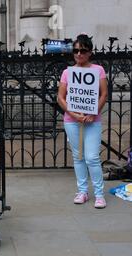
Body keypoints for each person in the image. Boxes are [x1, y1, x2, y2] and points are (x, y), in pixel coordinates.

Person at [58, 34, 108, 209]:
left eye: (82, 50)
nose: (78, 54)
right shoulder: (67, 72)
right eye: (76, 50)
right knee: (78, 157)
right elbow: (60, 97)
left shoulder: (98, 70)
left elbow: (104, 94)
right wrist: (73, 113)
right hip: (72, 121)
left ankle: (100, 195)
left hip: (92, 120)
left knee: (92, 157)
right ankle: (82, 191)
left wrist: (94, 113)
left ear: (89, 52)